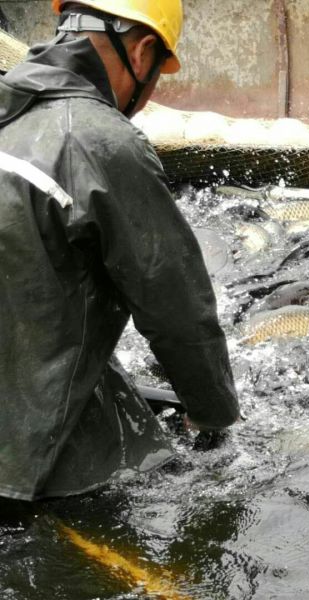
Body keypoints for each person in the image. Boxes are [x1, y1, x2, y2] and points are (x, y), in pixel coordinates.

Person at [0, 0, 239, 503]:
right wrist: (215, 418)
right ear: (144, 50)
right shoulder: (101, 143)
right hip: (29, 470)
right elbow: (178, 313)